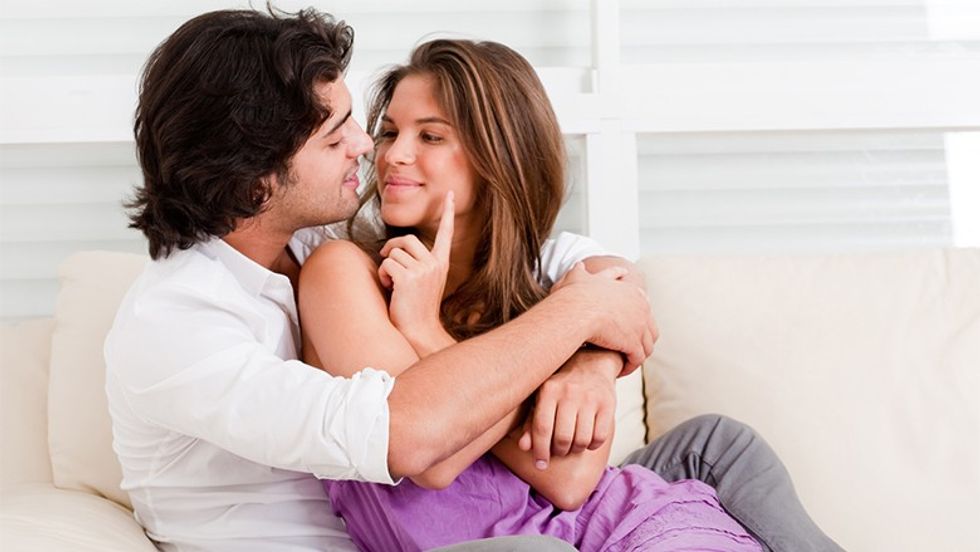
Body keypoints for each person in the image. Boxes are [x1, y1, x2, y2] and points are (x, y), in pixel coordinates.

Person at [103, 7, 840, 552]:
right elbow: (423, 441)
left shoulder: (323, 233)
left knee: (714, 445)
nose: (373, 149)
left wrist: (589, 357)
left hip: (510, 503)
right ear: (256, 181)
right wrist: (573, 318)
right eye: (345, 136)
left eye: (381, 126)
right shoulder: (182, 326)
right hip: (442, 527)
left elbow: (603, 275)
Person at [298, 39, 843, 552]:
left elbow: (572, 477)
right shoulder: (344, 271)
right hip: (539, 539)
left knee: (718, 450)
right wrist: (566, 336)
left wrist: (581, 359)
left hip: (617, 525)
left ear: (498, 155)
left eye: (431, 136)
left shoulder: (539, 286)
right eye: (391, 132)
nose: (392, 155)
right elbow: (427, 453)